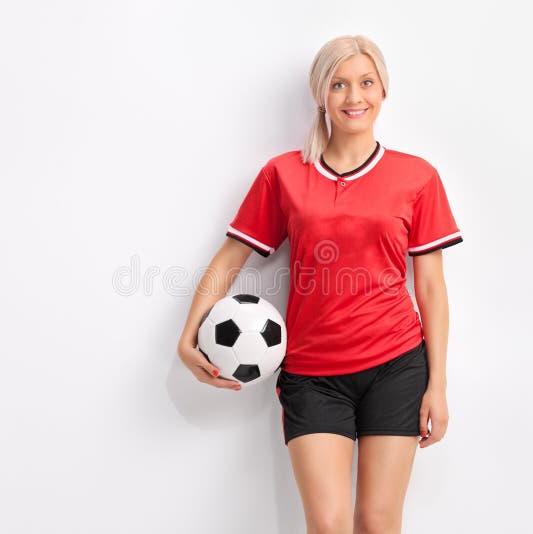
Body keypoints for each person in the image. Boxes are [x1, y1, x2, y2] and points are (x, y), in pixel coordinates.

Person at [177, 34, 463, 534]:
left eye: (366, 82)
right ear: (321, 95)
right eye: (339, 84)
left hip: (396, 367)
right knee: (328, 526)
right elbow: (230, 258)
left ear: (384, 90)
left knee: (376, 522)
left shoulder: (417, 177)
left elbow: (432, 289)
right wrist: (189, 334)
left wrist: (437, 385)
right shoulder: (284, 174)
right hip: (312, 375)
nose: (355, 97)